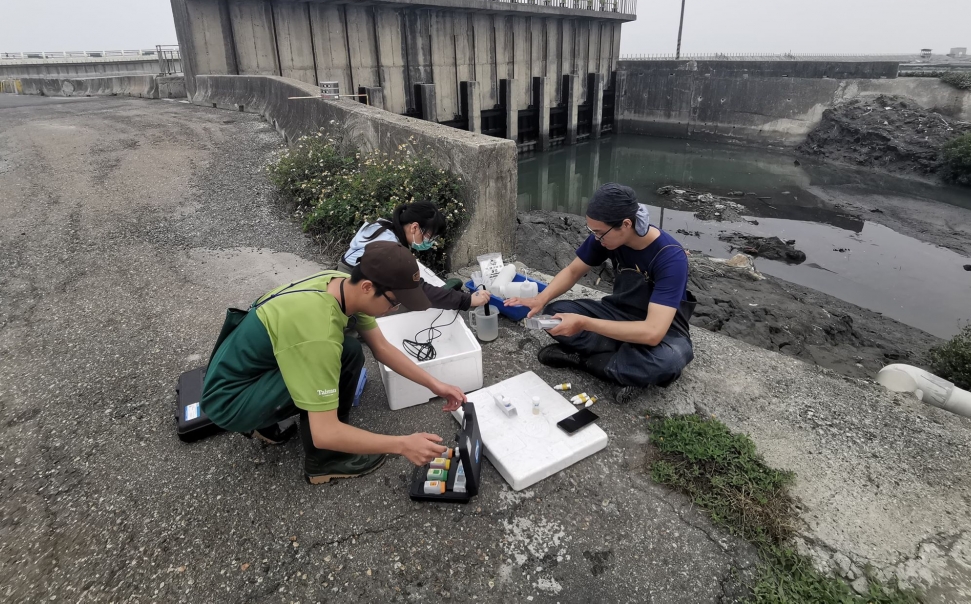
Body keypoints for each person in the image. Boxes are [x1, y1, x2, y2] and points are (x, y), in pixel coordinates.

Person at [201, 242, 466, 485]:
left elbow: (382, 348)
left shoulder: (341, 284)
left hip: (245, 372)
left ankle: (267, 421)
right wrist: (402, 444)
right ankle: (324, 461)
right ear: (367, 288)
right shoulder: (319, 331)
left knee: (349, 350)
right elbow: (324, 432)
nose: (395, 310)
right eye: (394, 302)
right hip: (229, 400)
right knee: (338, 359)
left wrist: (436, 384)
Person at [506, 183, 697, 404]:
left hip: (664, 332)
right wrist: (540, 298)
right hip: (618, 313)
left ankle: (582, 361)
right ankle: (620, 367)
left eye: (598, 233)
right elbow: (573, 270)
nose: (596, 238)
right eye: (592, 232)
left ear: (626, 224)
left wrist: (584, 324)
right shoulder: (608, 236)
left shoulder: (670, 257)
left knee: (669, 361)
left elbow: (653, 332)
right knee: (555, 314)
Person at [340, 200, 490, 311]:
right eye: (430, 236)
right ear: (414, 227)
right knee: (409, 306)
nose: (431, 242)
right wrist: (467, 300)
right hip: (353, 291)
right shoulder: (390, 248)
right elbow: (418, 290)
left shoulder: (382, 226)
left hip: (342, 275)